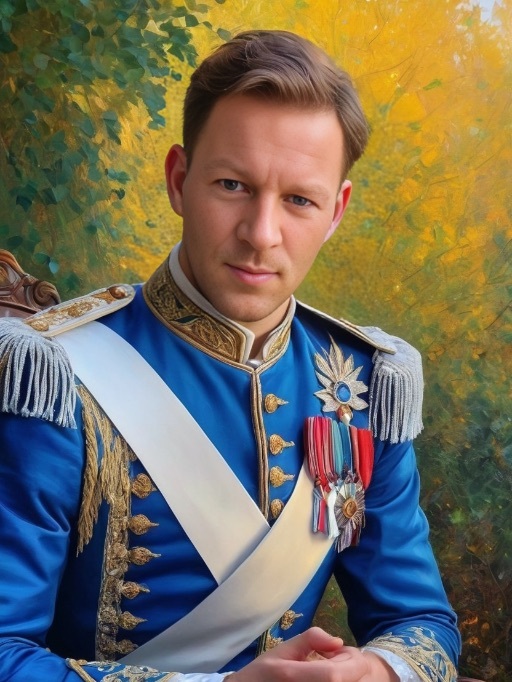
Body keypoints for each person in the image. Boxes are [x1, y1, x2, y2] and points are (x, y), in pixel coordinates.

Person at [0, 30, 460, 682]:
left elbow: (421, 623)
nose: (261, 234)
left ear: (336, 212)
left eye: (299, 200)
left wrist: (378, 670)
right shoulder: (57, 377)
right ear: (179, 180)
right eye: (233, 184)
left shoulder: (359, 385)